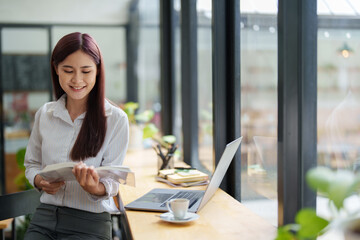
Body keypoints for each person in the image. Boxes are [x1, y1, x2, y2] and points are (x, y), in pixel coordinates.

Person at [24, 32, 129, 240]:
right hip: (44, 218)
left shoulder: (115, 119)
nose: (77, 80)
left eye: (86, 71)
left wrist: (94, 187)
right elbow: (32, 164)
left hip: (89, 223)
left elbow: (112, 183)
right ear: (56, 70)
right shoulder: (45, 114)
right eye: (68, 70)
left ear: (98, 71)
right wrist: (39, 180)